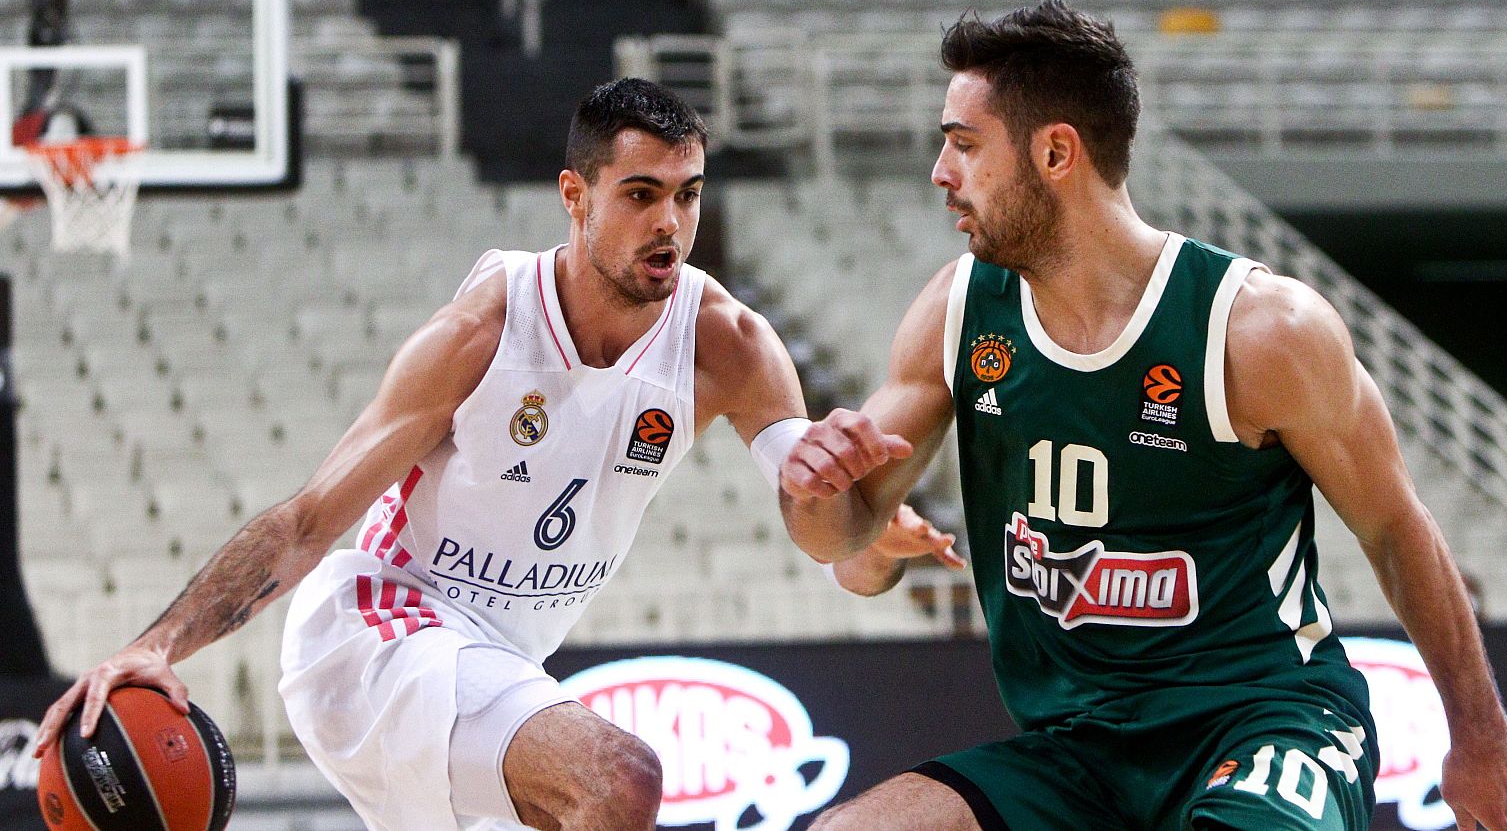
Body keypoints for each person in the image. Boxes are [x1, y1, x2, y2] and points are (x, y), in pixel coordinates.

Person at [33, 78, 951, 831]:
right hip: (379, 629)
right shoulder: (484, 329)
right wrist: (154, 645)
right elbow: (308, 524)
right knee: (619, 780)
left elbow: (827, 544)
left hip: (500, 662)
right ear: (575, 195)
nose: (670, 223)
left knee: (598, 803)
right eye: (641, 195)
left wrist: (860, 527)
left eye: (688, 195)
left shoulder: (730, 343)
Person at [778, 0, 1507, 830]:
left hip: (1264, 722)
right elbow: (841, 537)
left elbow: (1396, 527)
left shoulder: (1260, 329)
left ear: (1056, 152)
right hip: (1079, 747)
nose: (939, 171)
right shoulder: (959, 310)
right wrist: (820, 486)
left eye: (963, 143)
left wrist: (1481, 733)